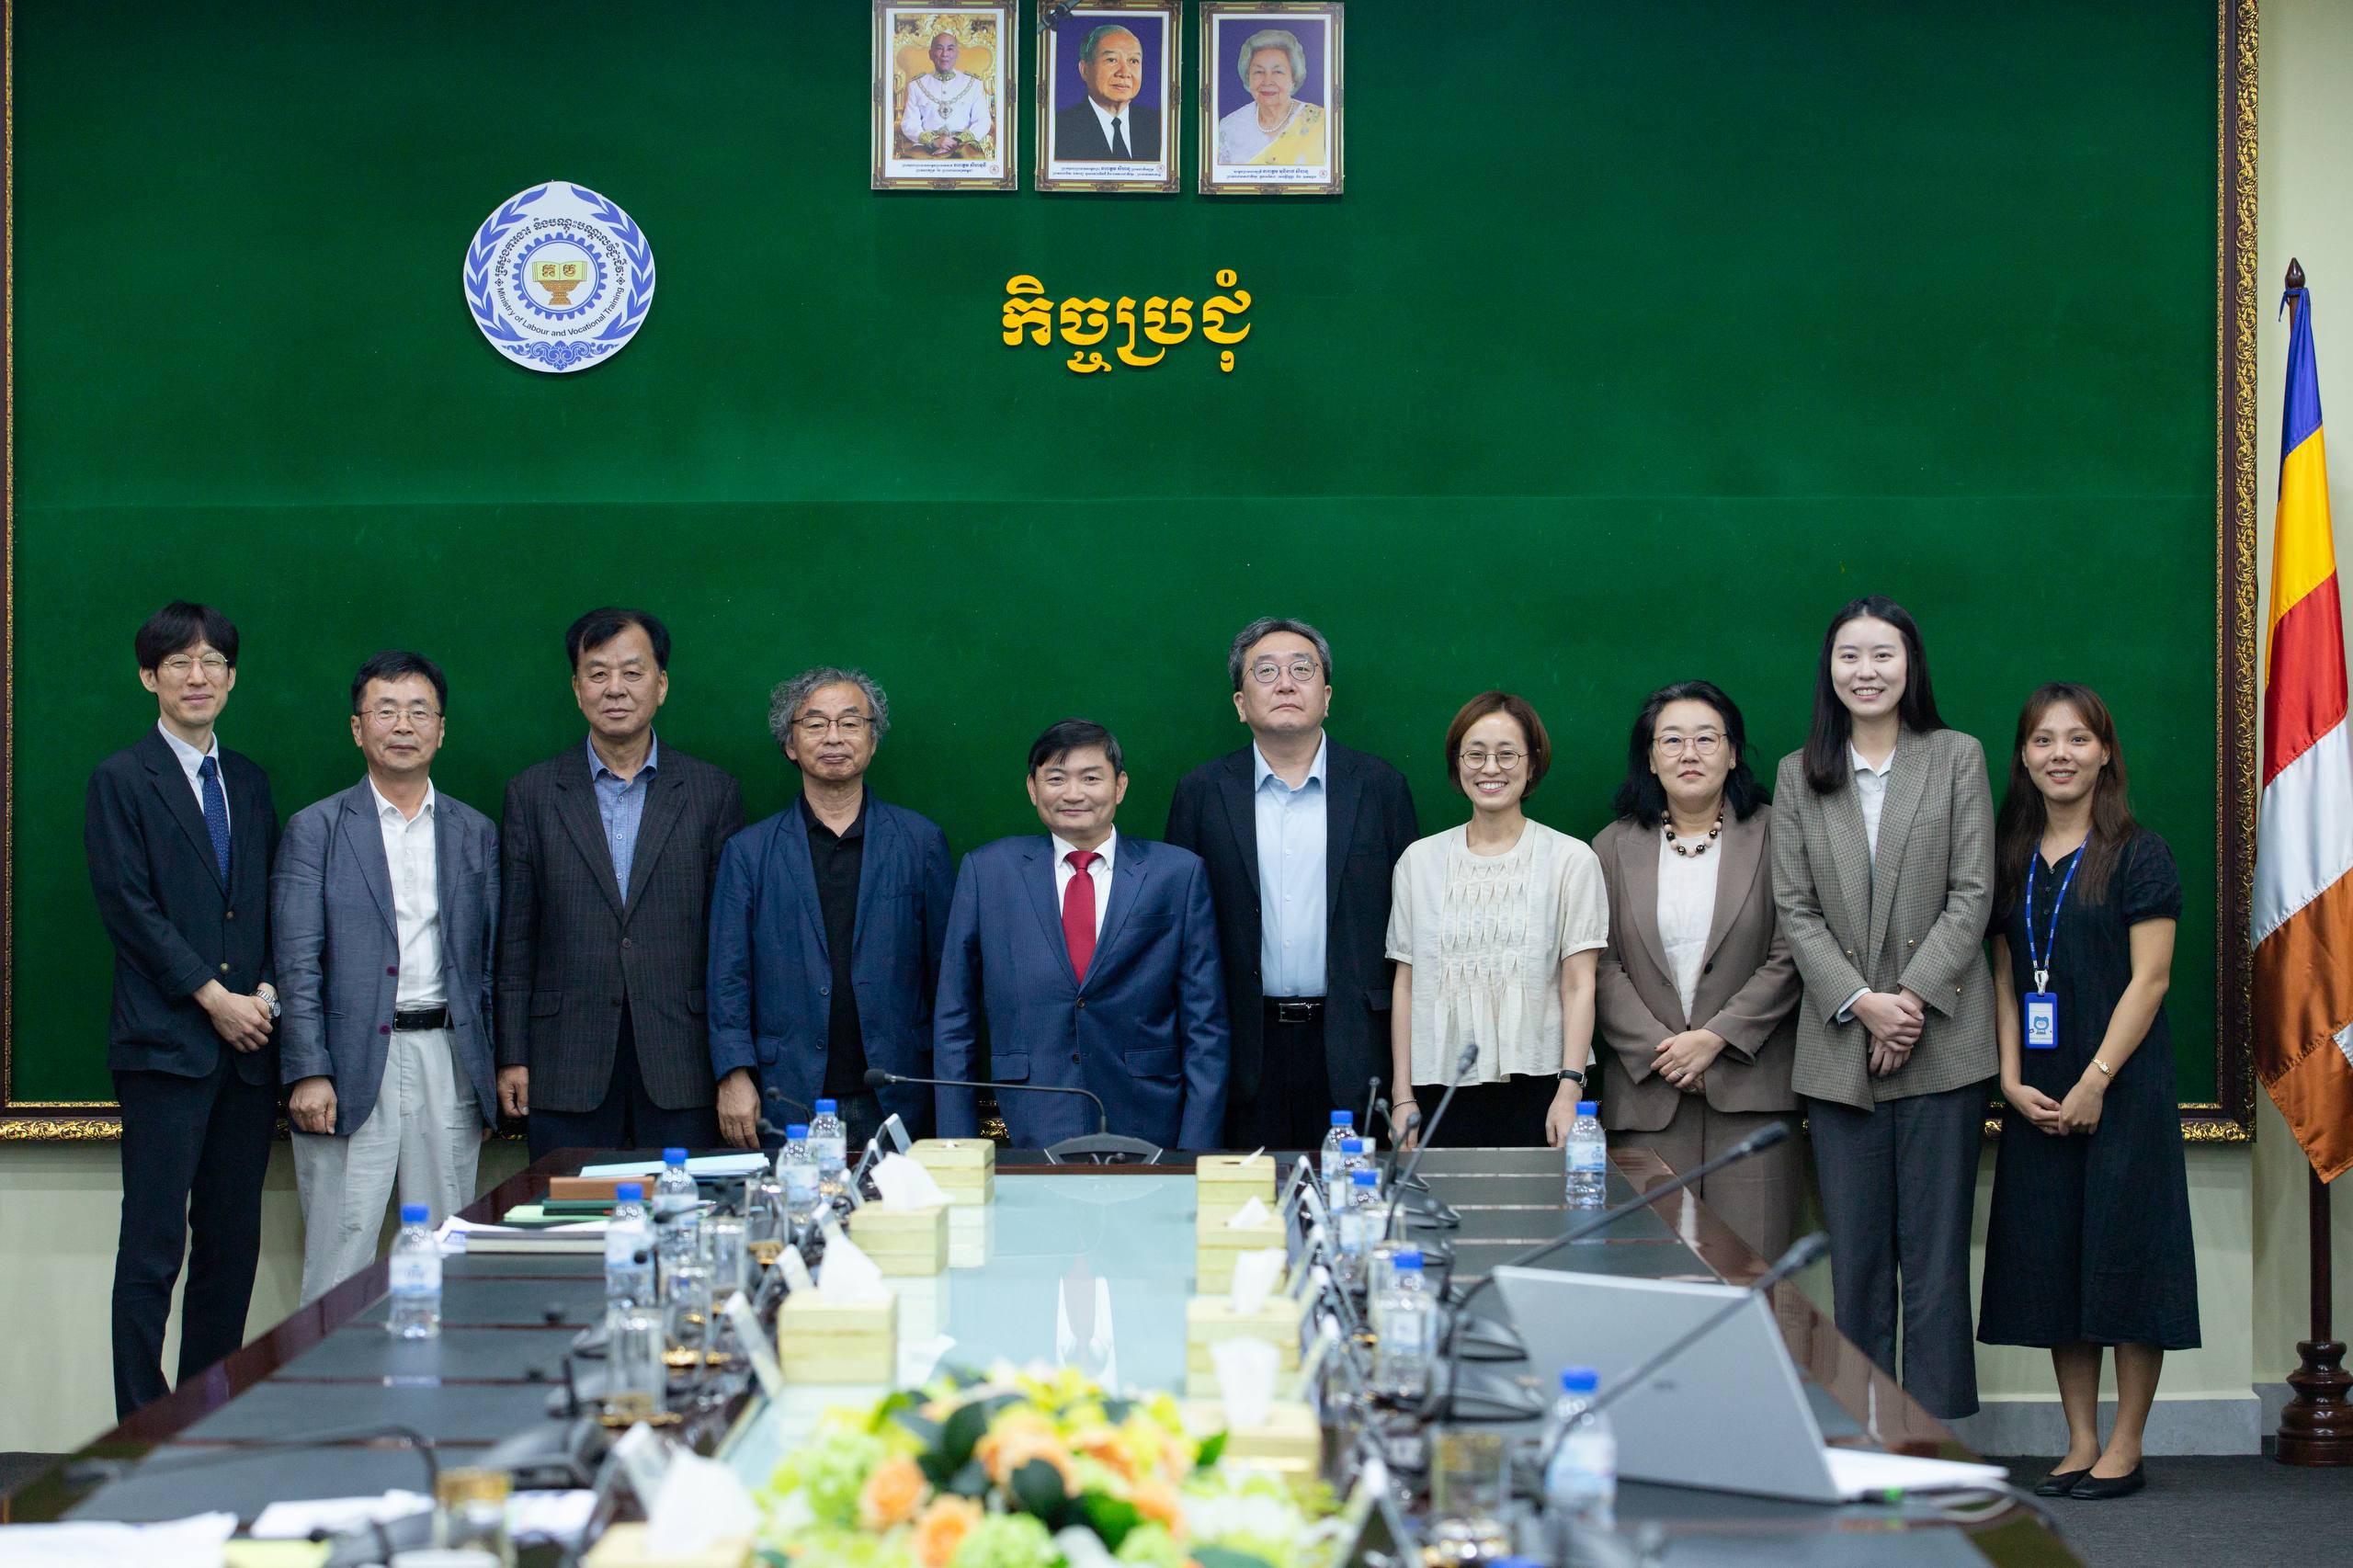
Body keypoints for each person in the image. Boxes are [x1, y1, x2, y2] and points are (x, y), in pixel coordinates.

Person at [1770, 595, 1995, 1422]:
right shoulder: (1800, 773)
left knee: (1935, 1261)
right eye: (1850, 656)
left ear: (1910, 665)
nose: (1866, 671)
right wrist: (1865, 1005)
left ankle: (1932, 1444)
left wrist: (1908, 1003)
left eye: (1883, 655)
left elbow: (1972, 893)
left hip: (1944, 1043)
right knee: (1857, 1261)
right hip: (1839, 1048)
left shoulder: (1956, 757)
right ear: (1829, 670)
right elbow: (1795, 909)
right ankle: (1862, 1436)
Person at [1978, 684, 2197, 1501]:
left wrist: (2096, 1080)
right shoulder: (2010, 856)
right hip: (2039, 1095)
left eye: (2077, 739)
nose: (2059, 754)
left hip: (2123, 1090)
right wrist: (2009, 1077)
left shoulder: (2140, 853)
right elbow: (2005, 977)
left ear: (2105, 753)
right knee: (2054, 1265)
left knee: (2128, 1263)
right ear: (2024, 756)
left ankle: (2126, 1446)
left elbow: (2152, 980)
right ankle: (2079, 1441)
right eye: (2043, 740)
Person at [85, 602, 279, 1417]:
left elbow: (266, 903)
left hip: (248, 1053)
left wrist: (262, 996)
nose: (197, 677)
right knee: (154, 1246)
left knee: (231, 1247)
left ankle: (206, 1414)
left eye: (212, 663)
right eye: (178, 663)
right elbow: (130, 911)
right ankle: (141, 1424)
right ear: (149, 677)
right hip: (165, 1048)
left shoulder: (250, 782)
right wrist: (213, 997)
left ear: (231, 678)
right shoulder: (122, 780)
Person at [272, 652, 499, 1305]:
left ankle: (442, 1372)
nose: (403, 725)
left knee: (445, 1254)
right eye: (386, 711)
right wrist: (308, 1069)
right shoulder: (315, 829)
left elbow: (490, 964)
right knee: (339, 1258)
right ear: (357, 727)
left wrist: (488, 1072)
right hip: (347, 1068)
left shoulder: (475, 832)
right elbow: (296, 961)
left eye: (419, 712)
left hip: (447, 1060)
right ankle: (331, 1375)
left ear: (441, 730)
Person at [496, 608, 743, 1159]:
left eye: (632, 673)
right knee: (568, 1208)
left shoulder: (712, 792)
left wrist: (734, 1064)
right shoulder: (532, 793)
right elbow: (516, 938)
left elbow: (729, 945)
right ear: (576, 687)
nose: (615, 689)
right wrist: (512, 1054)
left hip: (683, 1058)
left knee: (684, 1206)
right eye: (598, 673)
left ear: (661, 685)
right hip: (565, 1058)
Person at [1165, 618, 1417, 1150]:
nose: (1285, 683)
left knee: (1355, 1195)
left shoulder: (1380, 788)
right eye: (1266, 671)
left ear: (1326, 697)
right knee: (1246, 1198)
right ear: (1240, 704)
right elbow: (1179, 936)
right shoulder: (1202, 793)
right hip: (1241, 1049)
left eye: (1302, 670)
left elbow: (1411, 931)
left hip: (1355, 1046)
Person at [934, 720, 1228, 1150]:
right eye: (1056, 779)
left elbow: (1206, 1023)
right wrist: (956, 1148)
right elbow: (954, 1019)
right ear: (1033, 788)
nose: (1073, 794)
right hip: (1029, 1116)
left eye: (1091, 778)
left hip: (1149, 1116)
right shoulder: (987, 871)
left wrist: (1196, 1147)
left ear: (1120, 786)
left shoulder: (1177, 874)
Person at [1593, 681, 1802, 1259]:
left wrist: (1716, 1039)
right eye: (1672, 740)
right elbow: (1600, 966)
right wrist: (1666, 1050)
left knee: (1752, 1277)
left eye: (1707, 739)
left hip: (1752, 1093)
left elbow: (1793, 951)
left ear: (1732, 754)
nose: (1689, 753)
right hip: (1649, 1094)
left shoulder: (1779, 833)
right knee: (1652, 1277)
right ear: (1650, 758)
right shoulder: (1612, 846)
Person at [708, 667, 953, 1152]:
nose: (834, 737)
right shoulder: (749, 853)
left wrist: (949, 1085)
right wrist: (734, 1074)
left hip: (898, 1091)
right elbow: (727, 977)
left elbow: (947, 977)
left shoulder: (920, 842)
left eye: (850, 722)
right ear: (790, 744)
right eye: (816, 724)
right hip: (786, 1095)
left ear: (873, 740)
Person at [1387, 692, 1607, 1149]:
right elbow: (1406, 985)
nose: (1491, 768)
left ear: (1532, 765)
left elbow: (1578, 984)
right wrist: (1402, 1096)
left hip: (1544, 1088)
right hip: (1436, 1091)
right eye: (1476, 754)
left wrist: (1570, 1089)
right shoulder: (1418, 862)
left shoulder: (1571, 860)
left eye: (1507, 754)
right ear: (1457, 763)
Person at [1214, 28, 1326, 166]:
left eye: (1278, 72)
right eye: (1259, 72)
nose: (1267, 81)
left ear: (1293, 78)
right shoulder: (1230, 127)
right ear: (1248, 78)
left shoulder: (1321, 123)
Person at [1053, 23, 1158, 161]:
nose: (1124, 73)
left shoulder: (1158, 125)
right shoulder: (1058, 128)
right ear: (1085, 70)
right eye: (1111, 60)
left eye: (1133, 61)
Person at [900, 31, 993, 158]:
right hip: (926, 148)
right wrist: (934, 141)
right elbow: (909, 123)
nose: (945, 54)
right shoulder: (916, 85)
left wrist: (957, 141)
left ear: (957, 54)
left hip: (963, 147)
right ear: (931, 54)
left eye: (950, 49)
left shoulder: (974, 84)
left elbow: (983, 121)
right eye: (939, 49)